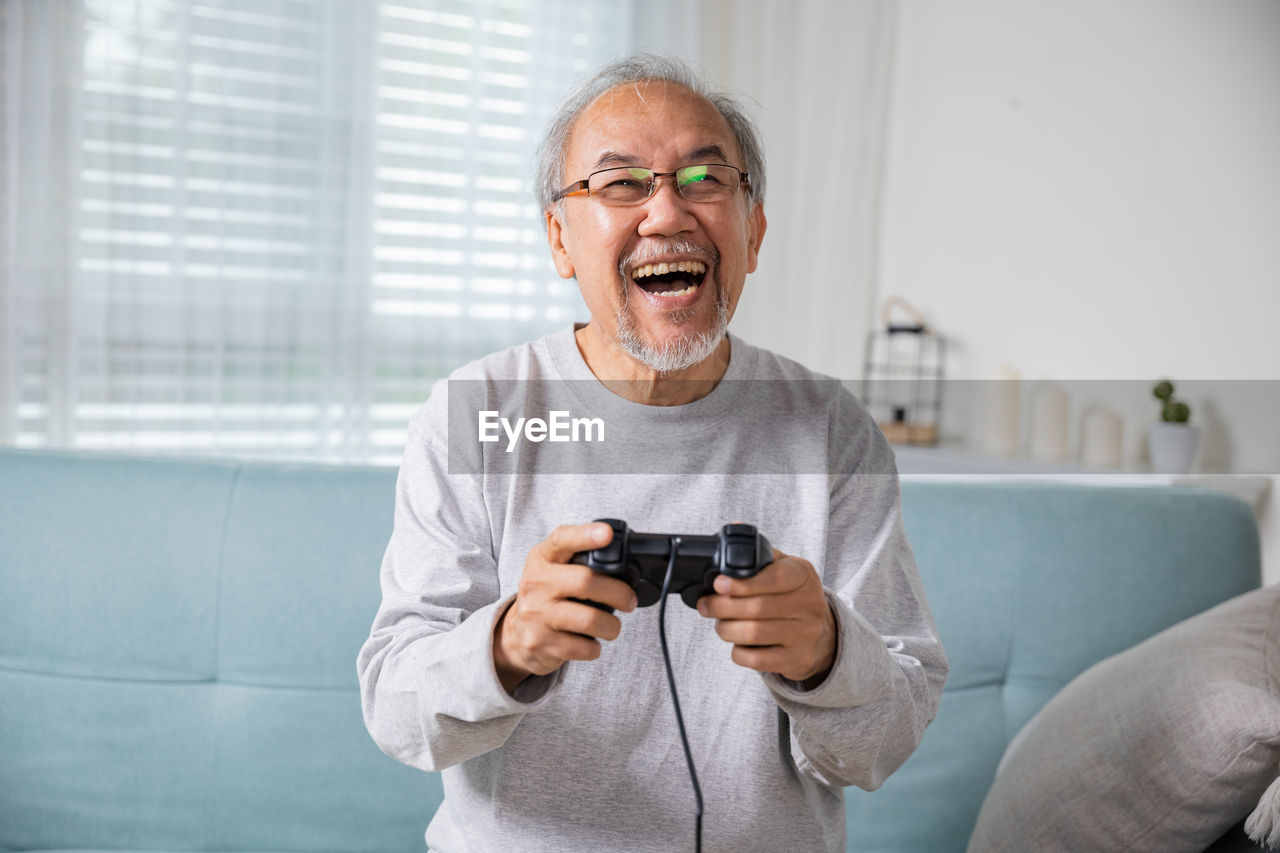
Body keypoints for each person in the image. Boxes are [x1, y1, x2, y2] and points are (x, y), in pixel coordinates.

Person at [357, 54, 948, 852]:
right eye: (621, 183)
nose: (667, 213)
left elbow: (882, 746)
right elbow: (398, 715)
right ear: (560, 238)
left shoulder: (830, 430)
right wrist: (508, 645)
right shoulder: (476, 414)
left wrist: (825, 654)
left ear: (754, 229)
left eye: (705, 178)